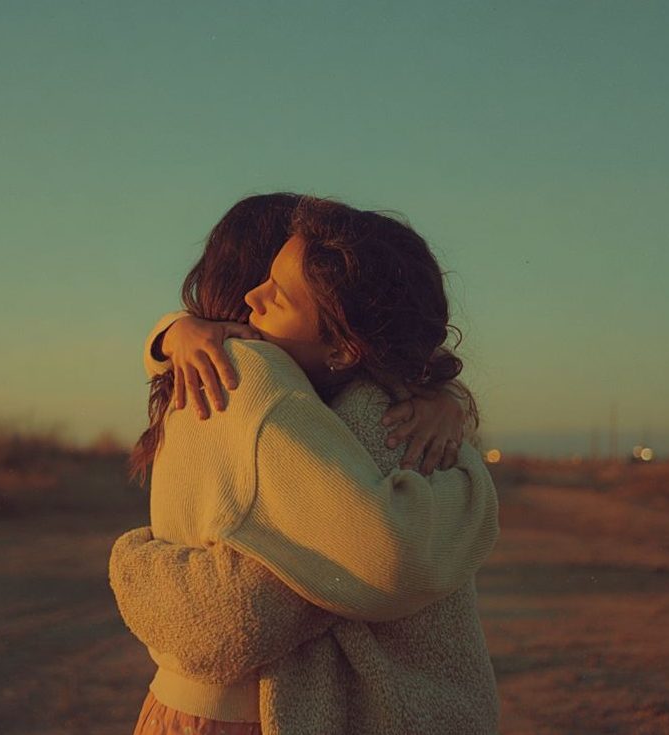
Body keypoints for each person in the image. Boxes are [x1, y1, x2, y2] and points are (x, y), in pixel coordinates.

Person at [111, 195, 499, 734]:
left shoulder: (216, 370)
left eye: (280, 288)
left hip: (189, 706)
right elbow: (374, 555)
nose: (256, 297)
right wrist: (472, 483)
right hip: (236, 711)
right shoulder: (248, 371)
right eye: (267, 277)